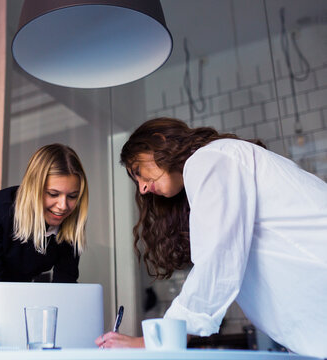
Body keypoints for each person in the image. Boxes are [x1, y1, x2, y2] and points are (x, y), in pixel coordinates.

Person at [96, 118, 327, 358]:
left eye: (138, 172)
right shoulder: (218, 161)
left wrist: (160, 340)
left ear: (159, 141)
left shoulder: (210, 159)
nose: (142, 188)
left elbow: (217, 258)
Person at [0, 143, 88, 324]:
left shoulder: (72, 222)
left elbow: (65, 285)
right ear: (34, 189)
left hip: (17, 262)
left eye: (72, 196)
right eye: (53, 194)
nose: (63, 206)